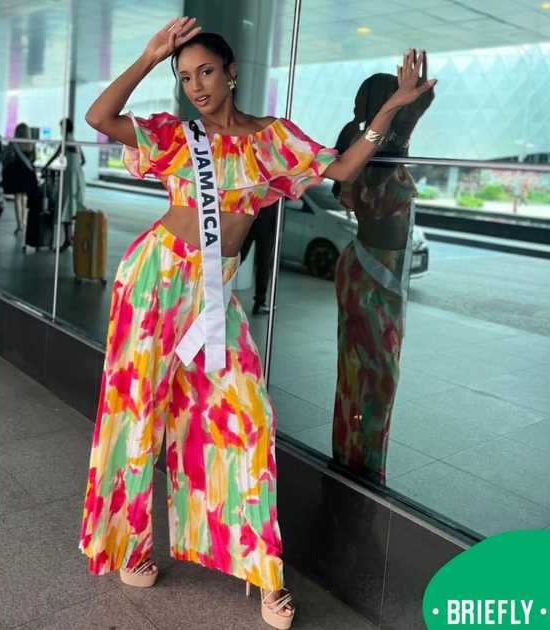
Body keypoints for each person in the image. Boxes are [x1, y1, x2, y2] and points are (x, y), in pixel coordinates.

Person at [78, 17, 435, 629]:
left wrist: (396, 109)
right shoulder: (175, 136)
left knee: (248, 419)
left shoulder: (272, 139)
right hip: (154, 282)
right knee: (139, 416)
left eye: (206, 72)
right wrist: (147, 57)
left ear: (233, 71)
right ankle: (132, 544)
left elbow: (345, 169)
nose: (197, 86)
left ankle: (264, 571)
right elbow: (101, 118)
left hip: (213, 295)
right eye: (185, 76)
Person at [331, 70, 433, 485]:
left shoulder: (381, 144)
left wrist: (413, 109)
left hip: (374, 272)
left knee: (363, 374)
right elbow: (372, 186)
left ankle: (355, 457)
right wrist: (405, 123)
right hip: (372, 277)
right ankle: (364, 464)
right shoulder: (369, 147)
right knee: (375, 377)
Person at [42, 118, 88, 251]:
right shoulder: (75, 141)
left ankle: (68, 240)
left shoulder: (65, 141)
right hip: (78, 177)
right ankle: (69, 239)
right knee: (71, 208)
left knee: (65, 208)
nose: (60, 130)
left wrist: (45, 166)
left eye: (61, 127)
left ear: (64, 128)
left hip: (69, 178)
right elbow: (83, 160)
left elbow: (56, 155)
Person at [1, 122, 40, 235]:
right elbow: (34, 159)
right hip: (28, 174)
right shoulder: (31, 143)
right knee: (25, 199)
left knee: (18, 199)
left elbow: (5, 156)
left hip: (17, 173)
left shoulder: (14, 142)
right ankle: (25, 222)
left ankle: (19, 225)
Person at [238, 203, 277, 314]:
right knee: (239, 257)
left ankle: (260, 302)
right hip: (259, 218)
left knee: (261, 262)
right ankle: (260, 302)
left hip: (256, 217)